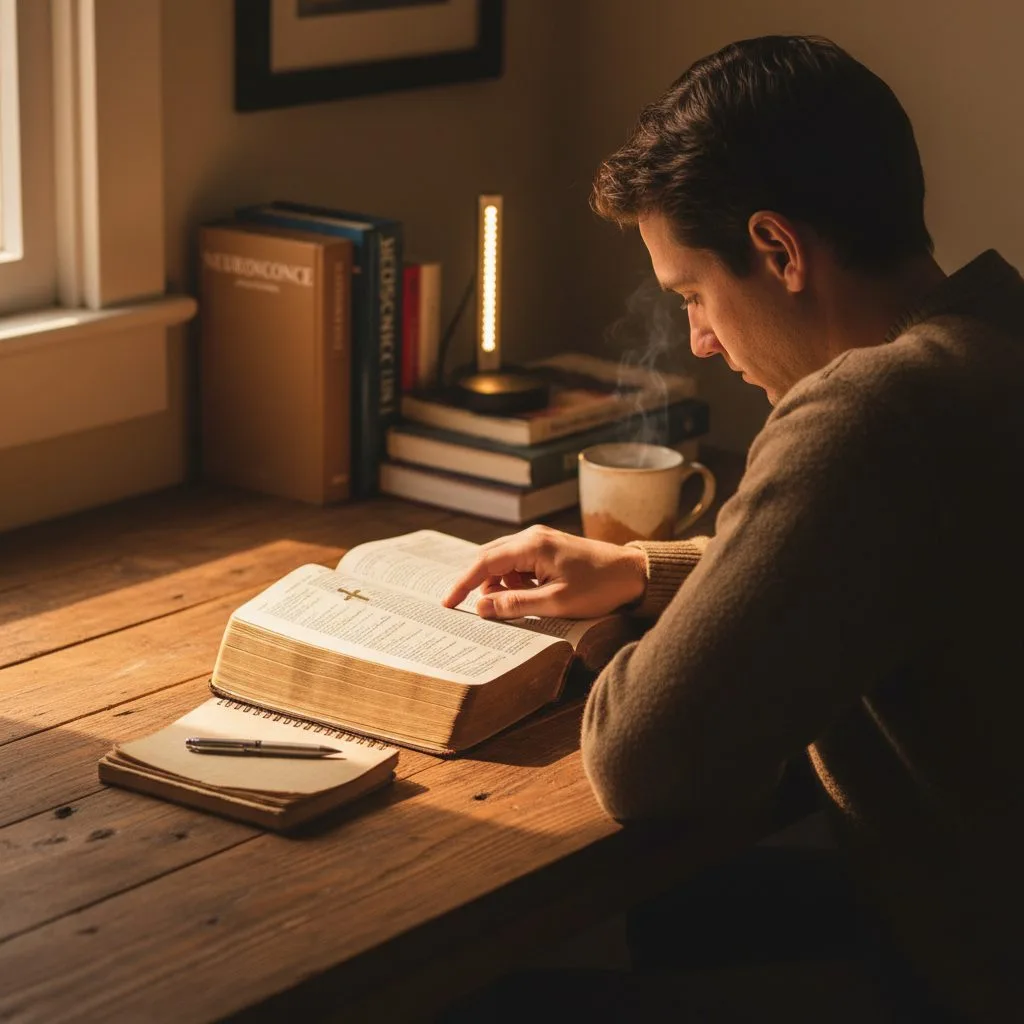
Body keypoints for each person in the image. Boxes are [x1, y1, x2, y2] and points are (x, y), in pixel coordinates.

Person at [440, 34, 1024, 1024]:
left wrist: (588, 633)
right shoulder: (991, 337)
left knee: (475, 999)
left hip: (962, 970)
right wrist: (637, 568)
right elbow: (882, 561)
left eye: (693, 296)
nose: (702, 341)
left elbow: (644, 761)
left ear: (778, 250)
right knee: (676, 914)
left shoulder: (870, 411)